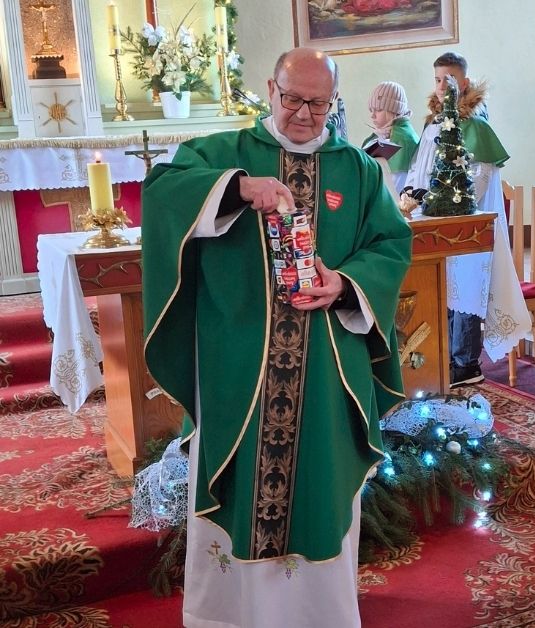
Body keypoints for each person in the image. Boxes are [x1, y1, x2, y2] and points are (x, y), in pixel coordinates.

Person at [141, 47, 413, 627]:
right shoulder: (227, 153)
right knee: (238, 487)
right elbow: (163, 189)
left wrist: (343, 283)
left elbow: (391, 244)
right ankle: (228, 617)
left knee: (320, 488)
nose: (305, 115)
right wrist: (238, 188)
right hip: (238, 363)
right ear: (271, 89)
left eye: (320, 103)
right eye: (293, 99)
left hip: (325, 369)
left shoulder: (358, 169)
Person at [405, 52, 511, 387]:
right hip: (434, 221)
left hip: (466, 223)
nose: (441, 86)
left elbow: (479, 179)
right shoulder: (432, 125)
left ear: (463, 83)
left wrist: (450, 204)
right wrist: (412, 196)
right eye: (437, 79)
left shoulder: (476, 127)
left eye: (448, 80)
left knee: (465, 290)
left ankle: (466, 363)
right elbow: (419, 170)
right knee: (442, 286)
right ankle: (444, 356)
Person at [362, 80, 420, 192]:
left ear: (394, 111)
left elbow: (395, 187)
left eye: (378, 110)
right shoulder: (382, 134)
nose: (372, 116)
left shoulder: (402, 140)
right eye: (371, 110)